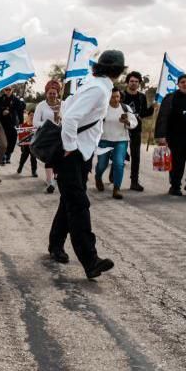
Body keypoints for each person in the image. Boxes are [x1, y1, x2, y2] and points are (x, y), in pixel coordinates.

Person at [47, 50, 123, 279]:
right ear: (119, 71)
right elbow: (70, 117)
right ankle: (90, 260)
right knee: (79, 205)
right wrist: (70, 146)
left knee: (68, 201)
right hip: (73, 153)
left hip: (81, 153)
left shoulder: (96, 85)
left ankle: (55, 245)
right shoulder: (98, 89)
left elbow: (69, 108)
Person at [94, 88, 138, 200]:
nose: (115, 99)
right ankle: (98, 176)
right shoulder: (103, 108)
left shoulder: (125, 108)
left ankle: (116, 188)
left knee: (119, 164)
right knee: (102, 164)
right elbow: (95, 122)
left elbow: (134, 122)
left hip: (121, 140)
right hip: (104, 140)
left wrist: (127, 122)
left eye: (117, 96)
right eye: (113, 97)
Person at [121, 71, 156, 191]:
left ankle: (134, 182)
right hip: (120, 129)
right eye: (131, 81)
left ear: (139, 83)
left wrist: (152, 108)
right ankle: (114, 175)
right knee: (119, 155)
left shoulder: (141, 97)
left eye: (136, 81)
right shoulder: (121, 95)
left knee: (136, 156)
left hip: (136, 129)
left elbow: (144, 113)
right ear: (127, 82)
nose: (134, 83)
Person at [34, 80, 63, 193]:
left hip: (60, 136)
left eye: (54, 93)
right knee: (49, 158)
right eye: (50, 93)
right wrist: (48, 125)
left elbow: (68, 119)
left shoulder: (63, 104)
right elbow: (35, 122)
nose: (52, 95)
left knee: (59, 158)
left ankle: (56, 178)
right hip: (47, 136)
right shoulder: (41, 105)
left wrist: (60, 119)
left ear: (58, 93)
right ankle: (49, 181)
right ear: (46, 93)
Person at [0, 86, 26, 164]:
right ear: (4, 90)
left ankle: (8, 155)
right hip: (2, 123)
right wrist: (2, 112)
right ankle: (3, 156)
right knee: (3, 141)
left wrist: (21, 123)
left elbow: (20, 112)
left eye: (9, 89)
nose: (8, 91)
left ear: (12, 90)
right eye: (6, 89)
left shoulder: (16, 100)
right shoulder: (0, 99)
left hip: (12, 123)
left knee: (12, 140)